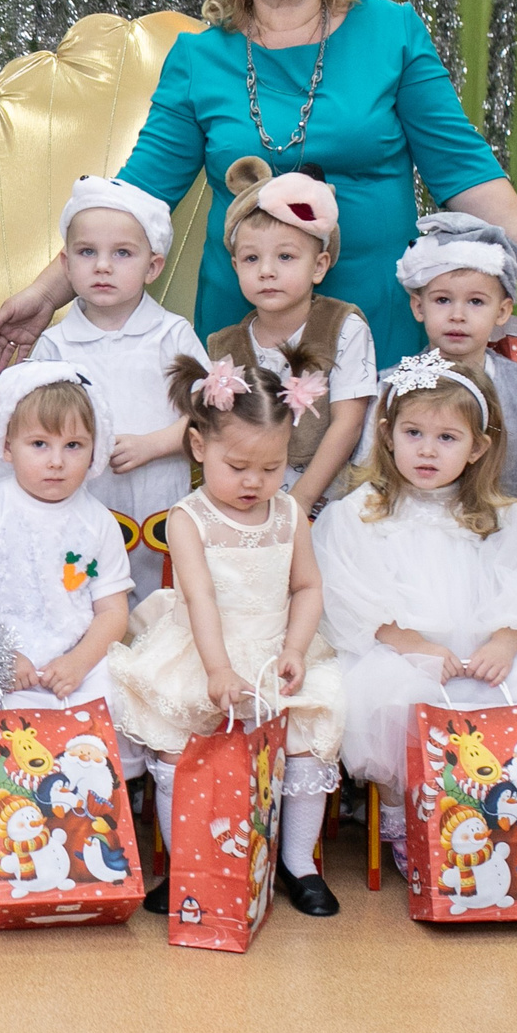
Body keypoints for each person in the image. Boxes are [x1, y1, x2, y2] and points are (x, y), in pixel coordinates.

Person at [0, 0, 517, 372]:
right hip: (246, 315)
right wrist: (45, 295)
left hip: (376, 310)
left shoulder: (393, 32)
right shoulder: (197, 58)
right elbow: (137, 198)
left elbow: (461, 168)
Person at [315, 351, 517, 872]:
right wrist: (416, 647)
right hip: (401, 652)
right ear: (387, 435)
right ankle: (404, 818)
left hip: (482, 655)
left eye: (447, 438)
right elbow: (348, 596)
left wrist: (505, 641)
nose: (426, 450)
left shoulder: (500, 518)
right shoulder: (359, 513)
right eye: (413, 433)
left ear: (477, 447)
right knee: (394, 700)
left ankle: (510, 816)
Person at [104, 355, 347, 918]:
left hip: (274, 649)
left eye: (271, 467)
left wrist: (294, 647)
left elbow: (308, 586)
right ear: (198, 446)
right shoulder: (189, 518)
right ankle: (186, 863)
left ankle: (298, 863)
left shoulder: (289, 513)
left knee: (307, 738)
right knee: (178, 744)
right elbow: (200, 599)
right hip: (203, 648)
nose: (253, 482)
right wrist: (216, 670)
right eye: (237, 466)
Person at [0, 364, 136, 735]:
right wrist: (1, 656)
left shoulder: (99, 521)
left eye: (73, 445)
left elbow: (112, 611)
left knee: (119, 700)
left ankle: (97, 772)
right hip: (4, 661)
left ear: (95, 449)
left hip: (80, 662)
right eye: (39, 444)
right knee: (3, 716)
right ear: (7, 447)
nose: (56, 461)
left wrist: (79, 662)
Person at [33, 176, 206, 599]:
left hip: (160, 498)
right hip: (84, 501)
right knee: (87, 592)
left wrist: (155, 444)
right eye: (87, 252)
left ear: (153, 266)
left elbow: (212, 414)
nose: (102, 266)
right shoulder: (54, 346)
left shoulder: (172, 335)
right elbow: (34, 428)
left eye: (122, 253)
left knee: (160, 596)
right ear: (66, 263)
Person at [203, 158, 368, 514]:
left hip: (324, 504)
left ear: (319, 266)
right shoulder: (225, 345)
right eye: (251, 259)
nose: (266, 271)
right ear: (235, 267)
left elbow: (349, 422)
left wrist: (301, 501)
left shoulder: (344, 327)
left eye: (285, 257)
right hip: (247, 505)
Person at [356, 212, 517, 512]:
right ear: (419, 306)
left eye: (476, 301)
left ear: (502, 311)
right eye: (443, 300)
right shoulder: (393, 385)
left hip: (493, 528)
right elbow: (369, 469)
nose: (458, 315)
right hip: (407, 525)